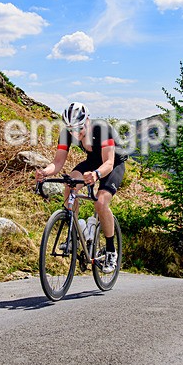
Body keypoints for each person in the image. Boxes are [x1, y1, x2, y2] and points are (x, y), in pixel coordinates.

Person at [35, 102, 128, 273]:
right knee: (70, 184)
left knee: (100, 203)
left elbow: (108, 162)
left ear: (87, 120)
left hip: (113, 164)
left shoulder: (102, 129)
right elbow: (57, 162)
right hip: (93, 161)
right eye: (71, 129)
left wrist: (96, 175)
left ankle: (110, 251)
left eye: (79, 128)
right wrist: (44, 172)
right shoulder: (67, 133)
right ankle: (74, 233)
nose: (75, 133)